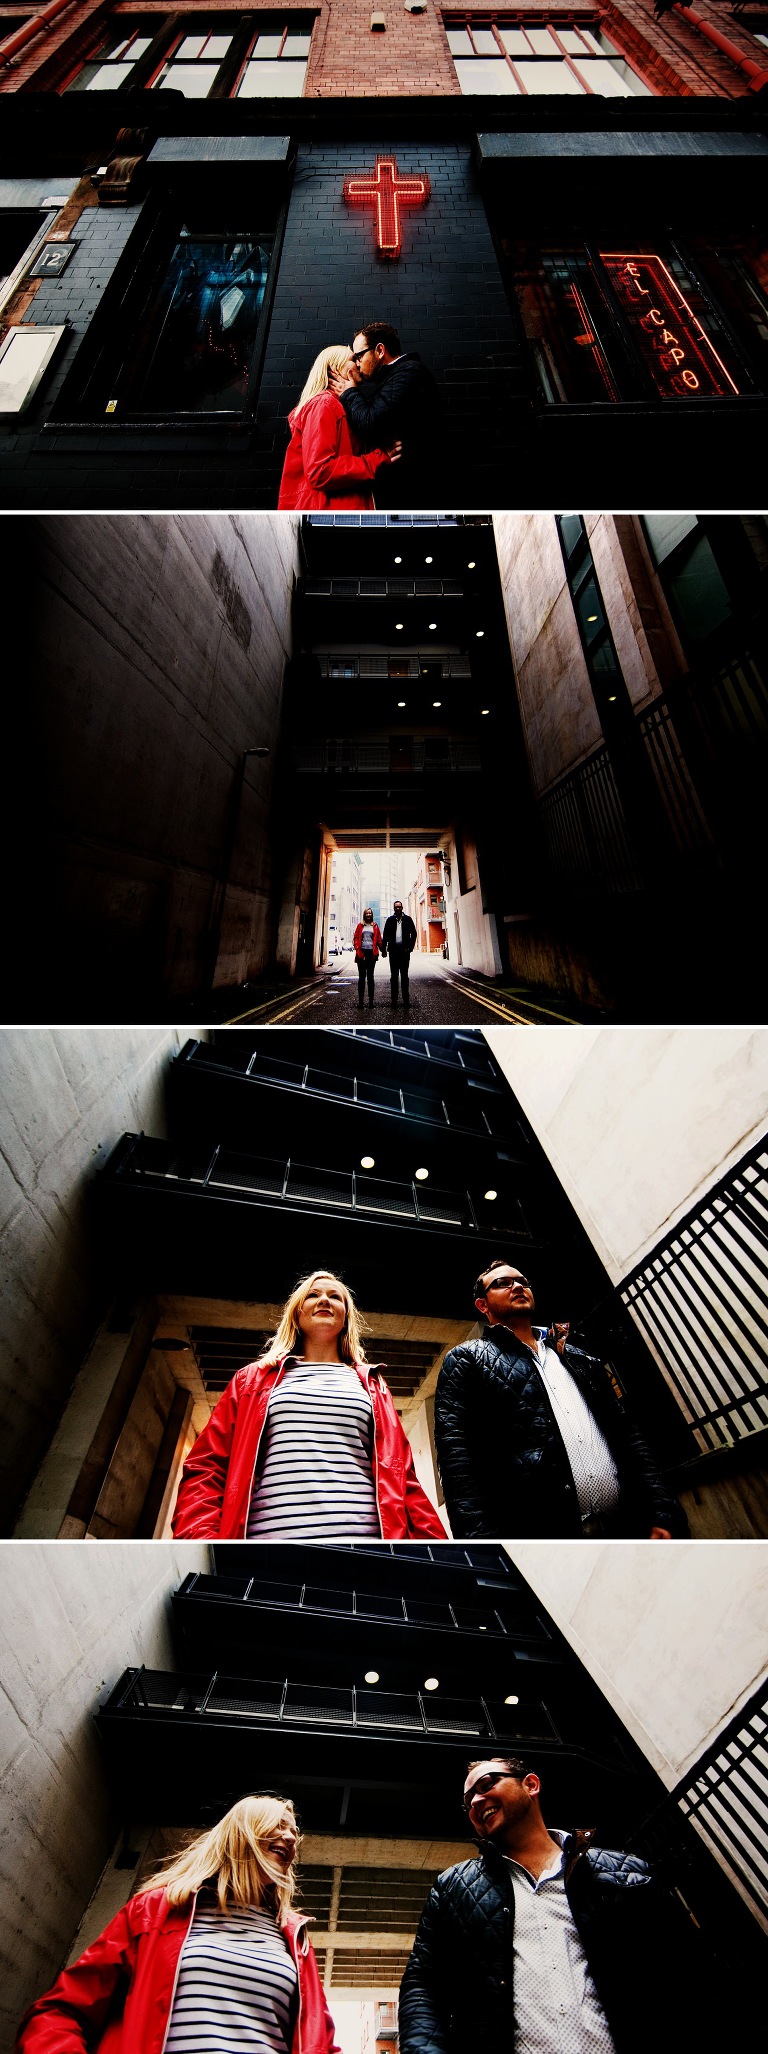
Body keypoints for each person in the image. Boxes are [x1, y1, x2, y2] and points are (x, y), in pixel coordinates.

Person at [398, 1755, 722, 2054]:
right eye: (468, 1801)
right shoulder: (454, 1887)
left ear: (531, 1784)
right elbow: (424, 1984)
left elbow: (689, 1970)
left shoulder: (626, 1872)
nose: (477, 1801)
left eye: (487, 1785)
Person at [17, 1794, 340, 2054]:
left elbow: (321, 2041)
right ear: (241, 1832)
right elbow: (61, 2013)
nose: (290, 1837)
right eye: (279, 1825)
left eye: (294, 1832)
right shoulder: (155, 1909)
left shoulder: (293, 1939)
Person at [172, 1270, 445, 1540]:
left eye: (334, 1297)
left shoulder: (373, 1385)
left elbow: (403, 1477)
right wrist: (199, 1539)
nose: (324, 1300)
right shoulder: (251, 1380)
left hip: (367, 1544)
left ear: (346, 1317)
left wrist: (437, 1549)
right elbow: (207, 1467)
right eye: (313, 1295)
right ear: (296, 1314)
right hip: (269, 1547)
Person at [434, 1258, 686, 1539]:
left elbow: (628, 1435)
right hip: (541, 1536)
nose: (517, 1286)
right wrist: (481, 1542)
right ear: (483, 1305)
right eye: (503, 1283)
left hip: (628, 1526)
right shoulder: (467, 1359)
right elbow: (457, 1458)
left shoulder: (578, 1356)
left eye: (522, 1281)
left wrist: (662, 1513)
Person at [278, 345, 401, 510]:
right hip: (327, 510)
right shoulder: (324, 404)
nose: (359, 364)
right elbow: (320, 471)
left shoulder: (339, 405)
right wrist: (377, 458)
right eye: (352, 360)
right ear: (335, 369)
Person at [333, 321, 441, 505]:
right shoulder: (393, 378)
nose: (357, 364)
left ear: (380, 350)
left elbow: (371, 423)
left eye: (359, 356)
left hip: (415, 492)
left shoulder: (408, 372)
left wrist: (349, 393)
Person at [381, 899, 417, 1006]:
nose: (397, 908)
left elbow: (414, 934)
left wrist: (410, 947)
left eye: (399, 907)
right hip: (393, 952)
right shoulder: (390, 920)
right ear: (394, 908)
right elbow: (385, 935)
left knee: (405, 976)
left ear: (402, 908)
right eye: (396, 907)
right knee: (394, 976)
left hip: (404, 952)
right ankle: (394, 1000)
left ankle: (406, 1000)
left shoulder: (408, 920)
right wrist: (384, 950)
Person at [353, 906, 383, 1008]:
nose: (368, 915)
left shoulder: (375, 926)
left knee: (370, 977)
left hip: (371, 953)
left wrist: (383, 949)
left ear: (372, 915)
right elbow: (356, 938)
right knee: (361, 978)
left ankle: (371, 1002)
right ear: (364, 915)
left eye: (370, 913)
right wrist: (358, 951)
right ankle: (360, 1002)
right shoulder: (360, 925)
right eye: (367, 913)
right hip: (361, 953)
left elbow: (379, 939)